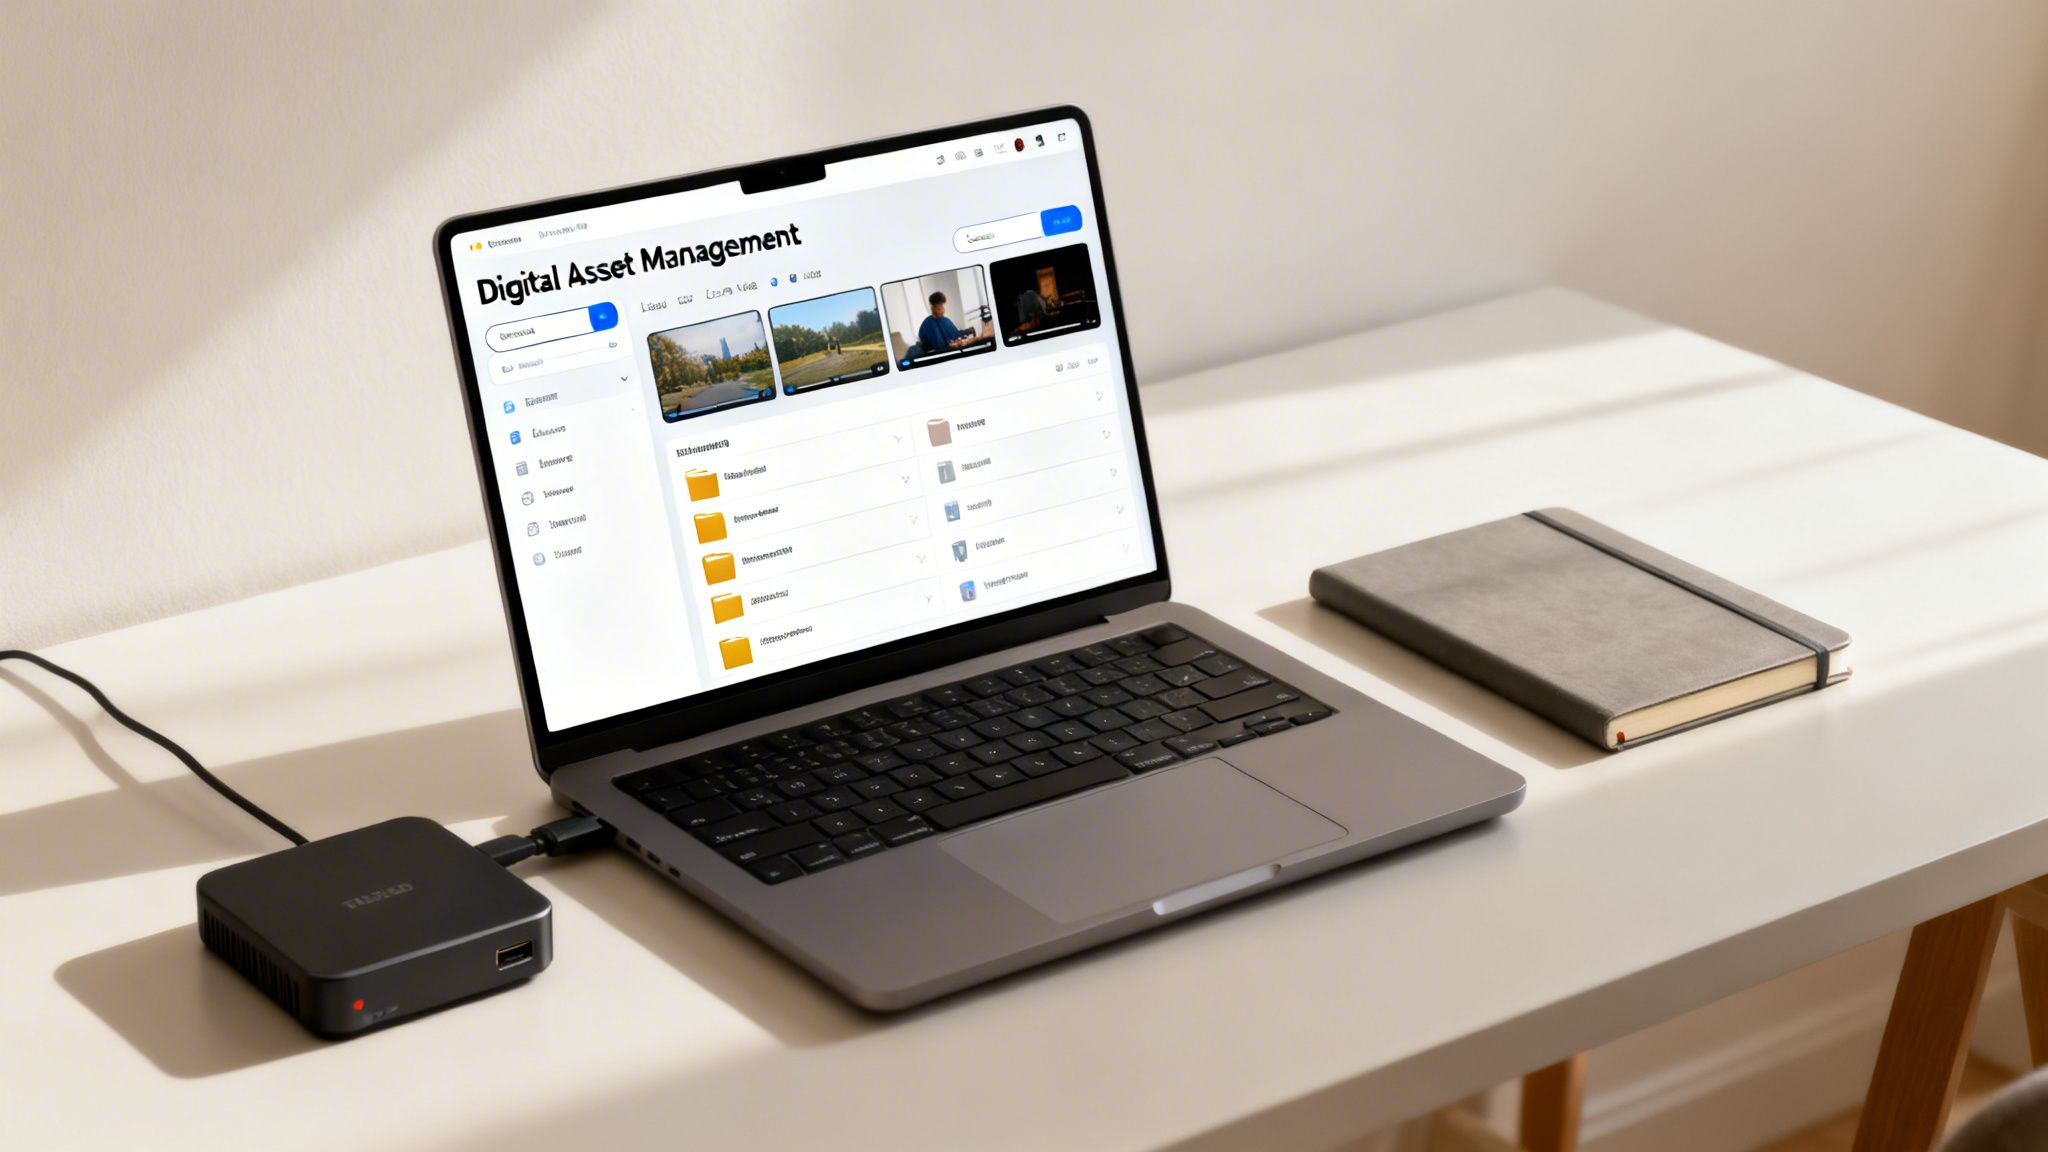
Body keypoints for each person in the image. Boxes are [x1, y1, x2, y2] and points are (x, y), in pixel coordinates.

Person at [917, 291, 978, 355]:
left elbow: (956, 335)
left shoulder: (946, 321)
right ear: (933, 308)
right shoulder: (926, 325)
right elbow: (936, 347)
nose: (943, 310)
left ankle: (970, 332)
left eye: (943, 307)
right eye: (940, 307)